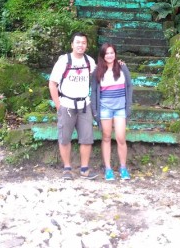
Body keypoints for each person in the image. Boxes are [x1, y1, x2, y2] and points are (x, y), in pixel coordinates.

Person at [49, 32, 98, 180]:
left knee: (87, 138)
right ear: (72, 44)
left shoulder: (89, 61)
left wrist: (118, 65)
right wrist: (59, 105)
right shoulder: (64, 61)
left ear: (86, 45)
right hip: (67, 105)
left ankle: (84, 169)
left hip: (84, 105)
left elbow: (99, 77)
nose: (80, 45)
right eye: (78, 42)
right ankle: (67, 168)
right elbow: (52, 84)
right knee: (65, 138)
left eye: (83, 42)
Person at [91, 43, 133, 181]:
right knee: (106, 137)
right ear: (102, 55)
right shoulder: (97, 71)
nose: (109, 55)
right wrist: (95, 111)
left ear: (115, 54)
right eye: (106, 53)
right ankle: (108, 168)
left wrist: (128, 107)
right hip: (104, 109)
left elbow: (129, 86)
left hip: (120, 108)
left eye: (112, 52)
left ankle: (123, 167)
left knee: (121, 138)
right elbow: (95, 92)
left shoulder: (122, 67)